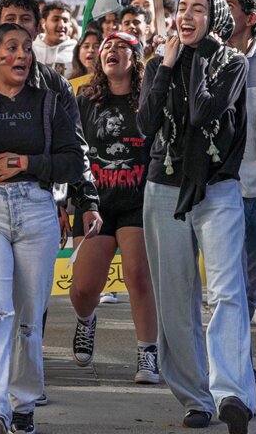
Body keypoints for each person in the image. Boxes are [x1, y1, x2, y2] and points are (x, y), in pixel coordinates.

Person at [0, 23, 99, 434]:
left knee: (29, 318)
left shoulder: (50, 102)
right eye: (11, 48)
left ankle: (24, 403)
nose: (21, 55)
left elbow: (73, 160)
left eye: (26, 49)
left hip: (37, 210)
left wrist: (25, 163)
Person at [138, 0, 256, 432]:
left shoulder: (232, 62)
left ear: (216, 20)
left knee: (226, 294)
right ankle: (195, 398)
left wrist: (196, 59)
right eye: (181, 8)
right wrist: (167, 64)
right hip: (163, 189)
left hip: (217, 189)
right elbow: (147, 122)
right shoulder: (157, 64)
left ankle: (232, 394)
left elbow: (202, 112)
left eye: (199, 9)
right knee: (175, 299)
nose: (186, 16)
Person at [68, 32, 159, 383]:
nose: (111, 51)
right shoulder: (84, 99)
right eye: (106, 46)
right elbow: (73, 150)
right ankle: (86, 320)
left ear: (135, 58)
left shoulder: (149, 98)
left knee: (139, 275)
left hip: (138, 201)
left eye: (121, 46)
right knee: (84, 288)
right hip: (95, 203)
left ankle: (147, 352)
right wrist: (68, 199)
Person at [214, 0, 256, 331]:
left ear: (250, 18)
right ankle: (231, 375)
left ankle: (238, 370)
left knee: (249, 293)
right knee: (226, 292)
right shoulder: (203, 60)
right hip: (221, 192)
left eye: (229, 6)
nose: (219, 12)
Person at [35, 3, 75, 77]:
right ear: (43, 22)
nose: (61, 25)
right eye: (56, 19)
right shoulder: (30, 50)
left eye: (65, 20)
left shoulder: (77, 51)